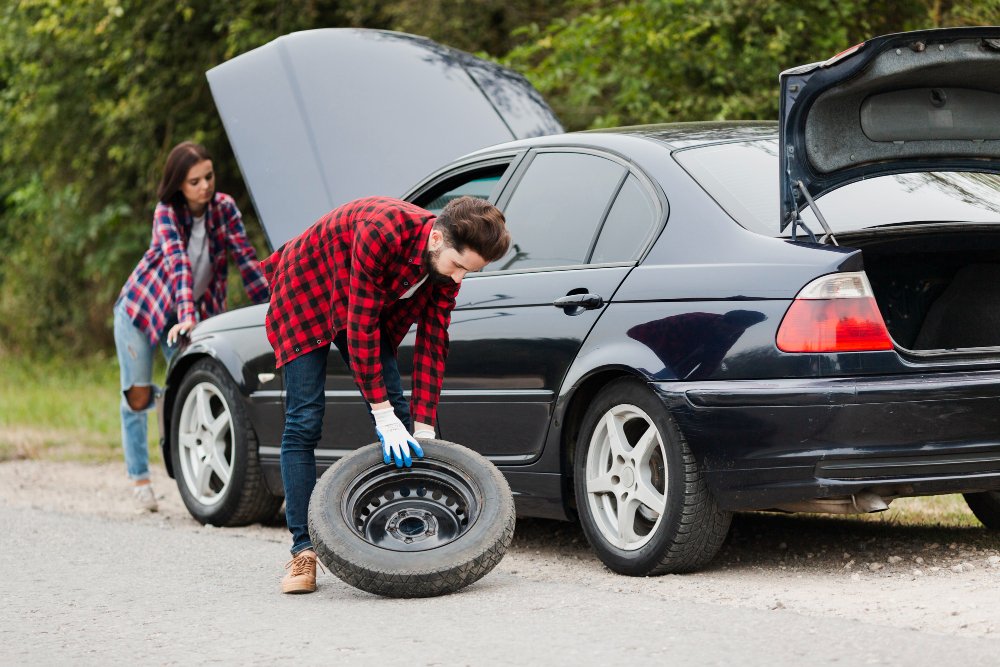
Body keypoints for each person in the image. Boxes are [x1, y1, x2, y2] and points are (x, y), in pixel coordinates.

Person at [261, 195, 510, 594]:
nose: (460, 278)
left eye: (471, 271)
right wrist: (382, 415)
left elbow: (433, 342)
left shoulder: (445, 270)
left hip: (358, 301)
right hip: (307, 288)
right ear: (436, 239)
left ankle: (410, 533)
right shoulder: (382, 232)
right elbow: (360, 328)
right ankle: (303, 551)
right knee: (304, 418)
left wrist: (424, 425)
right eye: (459, 265)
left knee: (401, 416)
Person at [114, 141, 270, 512]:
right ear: (178, 185)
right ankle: (140, 480)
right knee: (137, 395)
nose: (204, 186)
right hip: (144, 308)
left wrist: (271, 303)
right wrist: (187, 316)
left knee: (193, 383)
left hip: (189, 313)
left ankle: (194, 468)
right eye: (194, 181)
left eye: (209, 177)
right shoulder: (166, 212)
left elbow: (246, 261)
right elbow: (178, 264)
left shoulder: (225, 208)